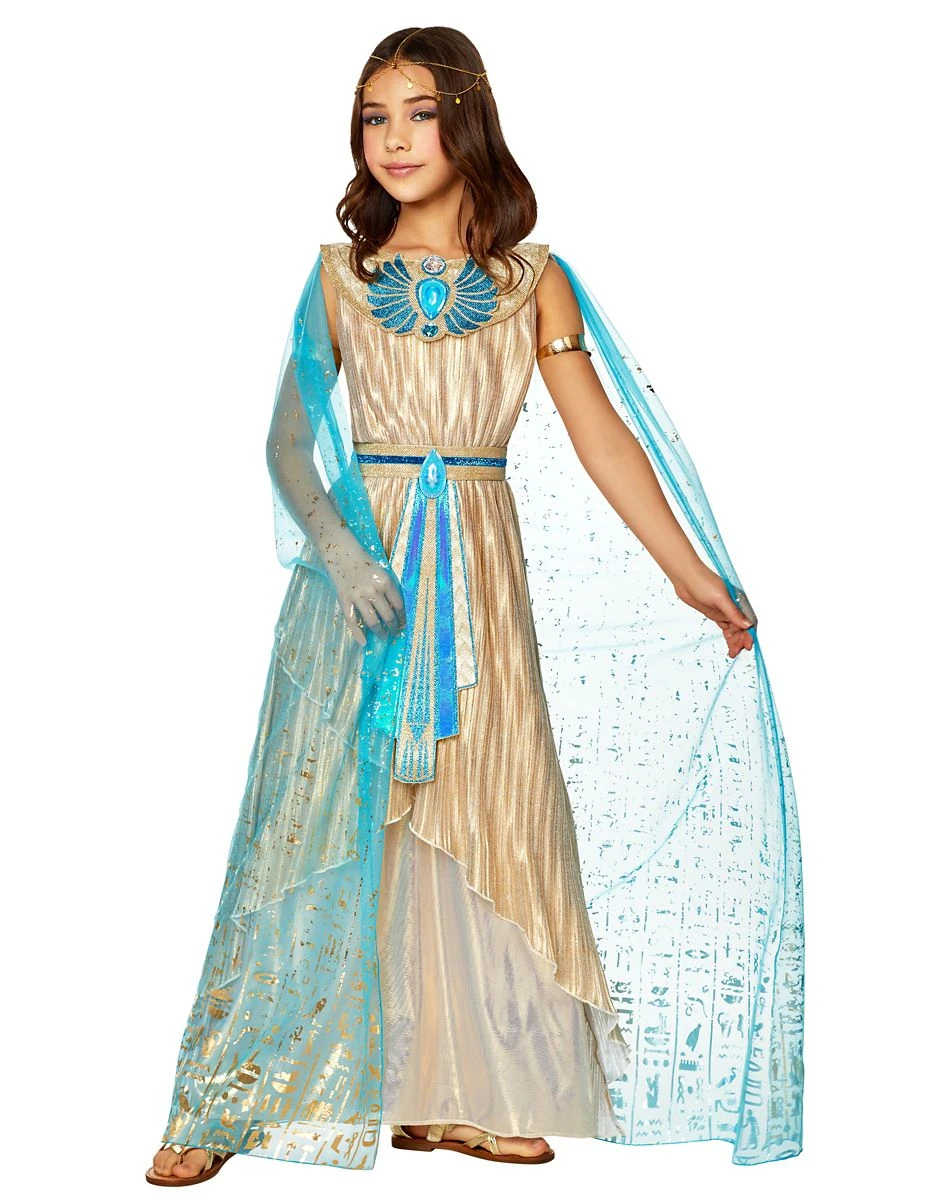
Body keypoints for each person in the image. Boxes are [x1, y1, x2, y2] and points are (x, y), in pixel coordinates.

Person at [147, 25, 803, 1185]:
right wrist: (341, 556)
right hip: (360, 586)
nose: (393, 139)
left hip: (479, 584)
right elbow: (288, 444)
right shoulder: (338, 278)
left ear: (468, 123)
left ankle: (465, 1091)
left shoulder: (532, 281)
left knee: (491, 806)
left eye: (419, 113)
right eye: (374, 117)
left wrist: (686, 570)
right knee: (315, 818)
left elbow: (601, 437)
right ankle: (226, 1100)